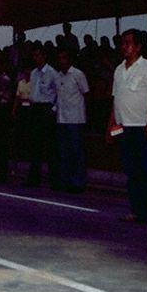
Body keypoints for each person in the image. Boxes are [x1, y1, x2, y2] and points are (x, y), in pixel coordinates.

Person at [107, 29, 147, 223]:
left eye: (128, 43)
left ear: (138, 46)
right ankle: (137, 211)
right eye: (122, 43)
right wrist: (110, 126)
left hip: (141, 127)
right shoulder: (119, 70)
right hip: (123, 126)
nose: (124, 47)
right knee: (131, 172)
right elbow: (115, 100)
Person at [56, 49, 89, 192]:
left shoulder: (78, 74)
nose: (61, 61)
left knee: (77, 152)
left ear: (69, 60)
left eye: (63, 58)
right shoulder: (58, 76)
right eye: (59, 59)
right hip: (61, 118)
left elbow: (86, 93)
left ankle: (78, 183)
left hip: (75, 119)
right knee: (64, 153)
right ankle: (65, 181)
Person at [26, 46, 60, 189]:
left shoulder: (52, 73)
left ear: (44, 56)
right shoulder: (33, 73)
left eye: (38, 55)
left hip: (47, 109)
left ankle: (54, 180)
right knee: (35, 145)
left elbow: (60, 93)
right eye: (34, 56)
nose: (36, 58)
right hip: (35, 108)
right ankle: (34, 178)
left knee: (50, 146)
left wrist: (54, 109)